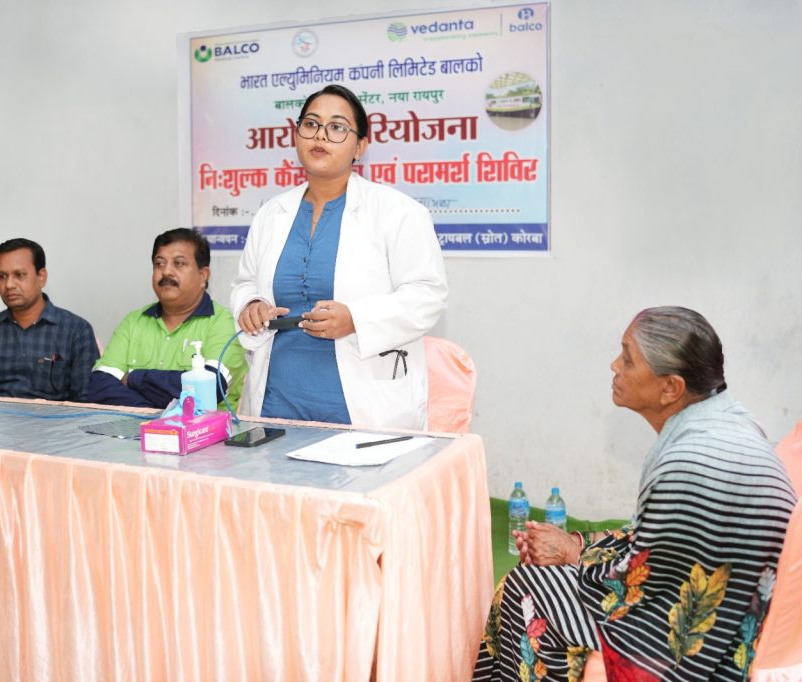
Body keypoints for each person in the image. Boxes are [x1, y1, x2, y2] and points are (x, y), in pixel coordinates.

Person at [473, 307, 797, 681]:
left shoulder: (691, 462)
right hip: (731, 604)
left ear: (670, 388)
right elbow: (651, 543)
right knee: (544, 577)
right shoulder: (726, 422)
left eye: (627, 358)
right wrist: (577, 544)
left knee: (528, 588)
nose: (615, 366)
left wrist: (573, 558)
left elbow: (641, 588)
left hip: (710, 642)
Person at [231, 84, 447, 430]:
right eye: (311, 124)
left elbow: (427, 296)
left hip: (363, 405)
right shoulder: (271, 214)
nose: (320, 135)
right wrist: (251, 304)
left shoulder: (399, 212)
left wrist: (356, 319)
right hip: (276, 400)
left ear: (360, 146)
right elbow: (245, 283)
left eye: (337, 127)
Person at [88, 228, 245, 409]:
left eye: (179, 263)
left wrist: (133, 378)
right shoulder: (133, 322)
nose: (166, 271)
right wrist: (156, 415)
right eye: (159, 263)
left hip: (204, 427)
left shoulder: (224, 323)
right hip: (134, 426)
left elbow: (209, 389)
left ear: (203, 276)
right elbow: (99, 386)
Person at [0, 238, 99, 402]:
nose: (9, 284)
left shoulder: (76, 330)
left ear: (41, 277)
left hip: (56, 418)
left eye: (19, 275)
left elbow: (87, 403)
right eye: (2, 276)